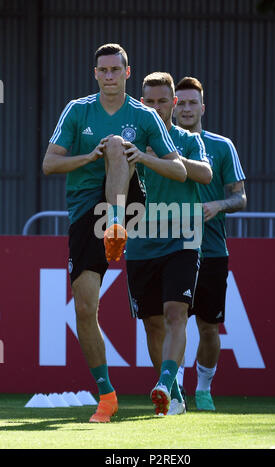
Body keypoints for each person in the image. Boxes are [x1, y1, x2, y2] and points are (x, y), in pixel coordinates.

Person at [42, 44, 186, 423]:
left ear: (127, 72)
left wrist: (143, 156)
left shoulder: (143, 115)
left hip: (129, 201)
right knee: (85, 307)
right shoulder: (77, 110)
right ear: (95, 74)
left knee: (119, 146)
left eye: (114, 70)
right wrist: (89, 156)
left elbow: (179, 170)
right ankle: (106, 395)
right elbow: (49, 163)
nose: (108, 76)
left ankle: (118, 223)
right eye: (102, 70)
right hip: (86, 211)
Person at [124, 72, 212, 415]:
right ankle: (173, 391)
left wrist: (154, 159)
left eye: (164, 101)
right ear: (141, 103)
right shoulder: (130, 140)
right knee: (152, 323)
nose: (157, 107)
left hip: (183, 240)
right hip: (142, 243)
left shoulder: (186, 140)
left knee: (177, 314)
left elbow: (205, 174)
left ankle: (163, 381)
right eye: (150, 101)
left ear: (174, 104)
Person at [174, 76, 247, 411]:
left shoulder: (222, 146)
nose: (186, 108)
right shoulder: (162, 146)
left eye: (192, 103)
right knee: (168, 323)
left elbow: (240, 196)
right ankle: (172, 389)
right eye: (181, 102)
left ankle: (203, 389)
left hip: (213, 251)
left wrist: (218, 205)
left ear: (202, 107)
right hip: (171, 248)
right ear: (173, 107)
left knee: (208, 328)